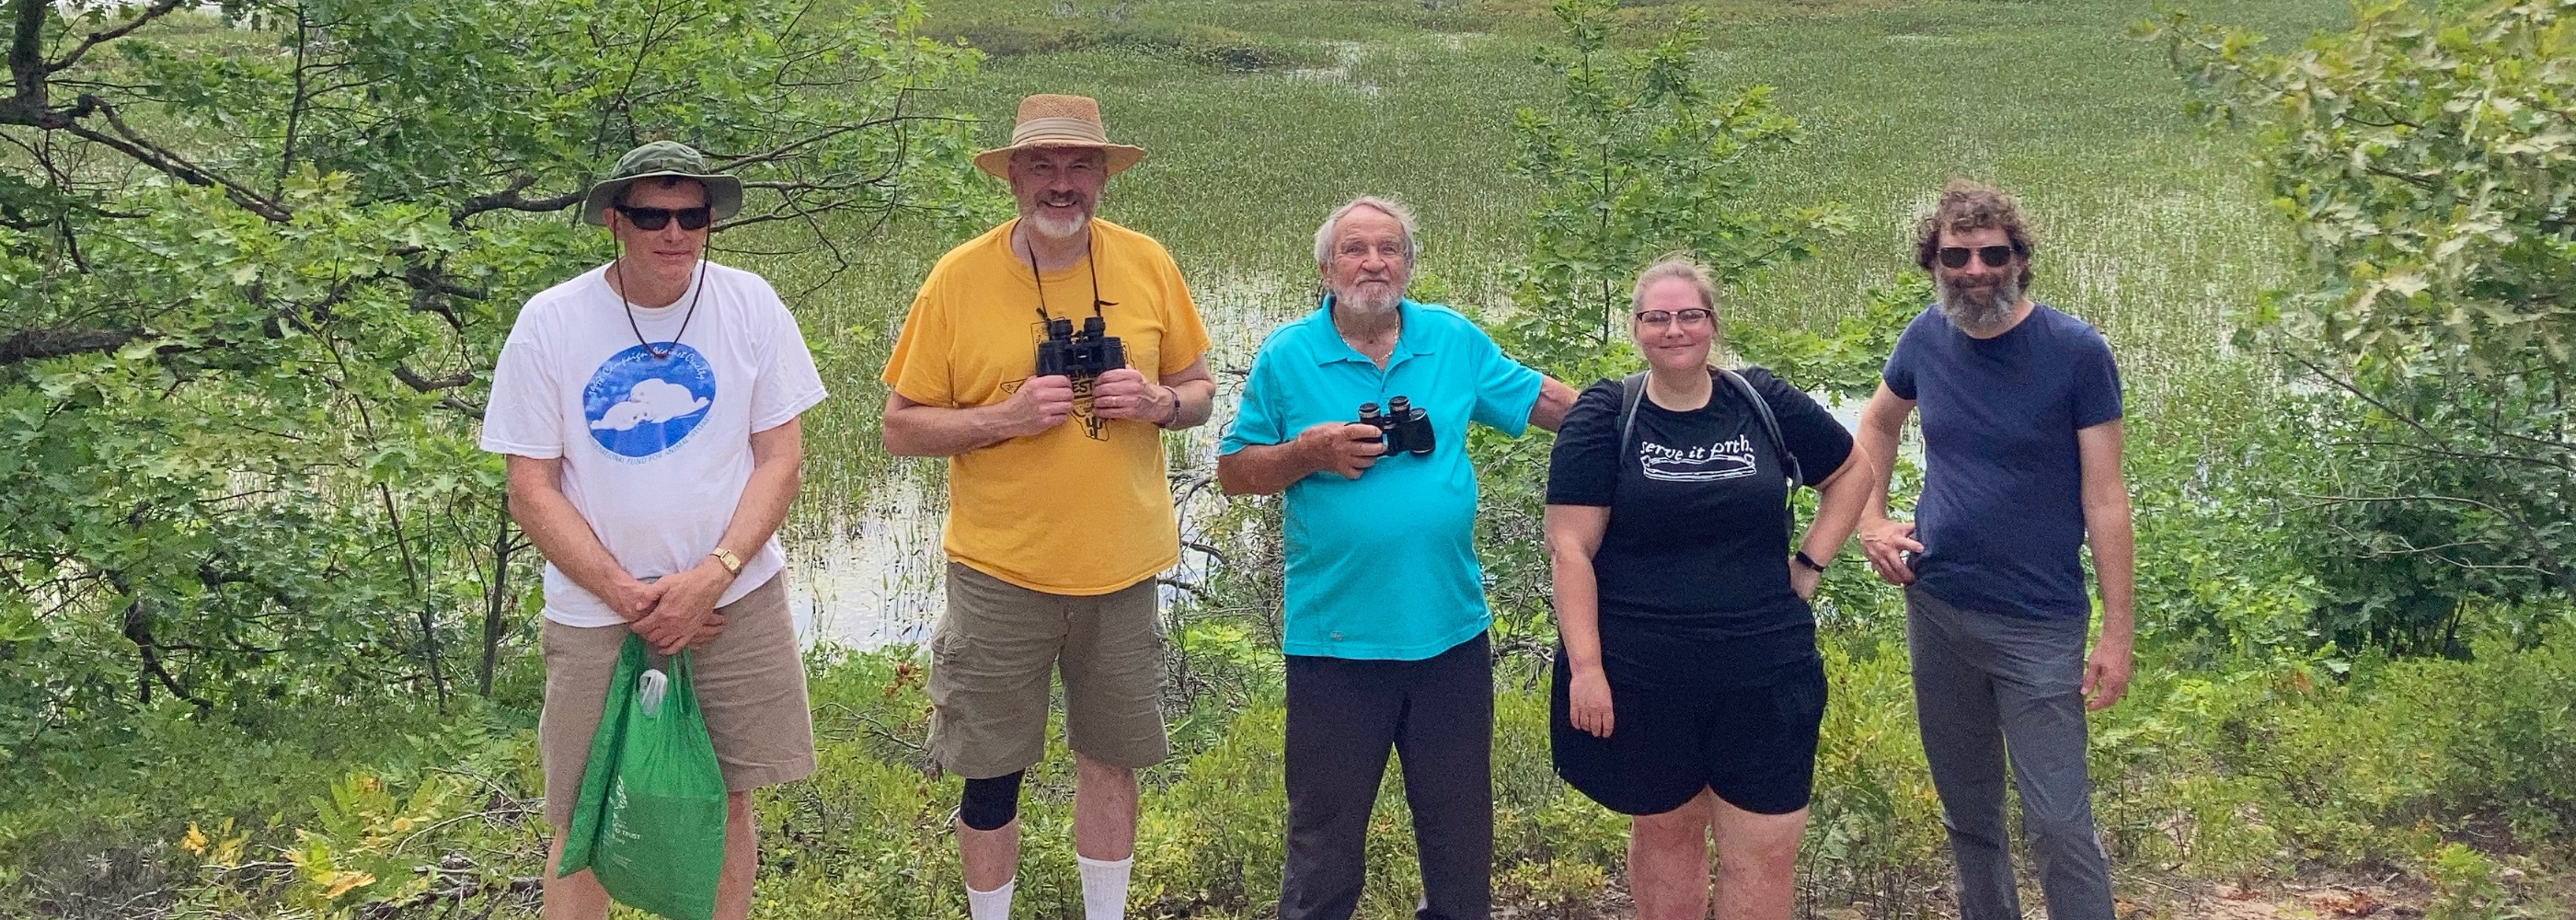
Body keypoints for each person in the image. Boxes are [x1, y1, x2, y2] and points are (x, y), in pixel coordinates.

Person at [879, 93, 1216, 920]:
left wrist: (1160, 404)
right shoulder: (958, 278)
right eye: (1042, 166)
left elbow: (1200, 390)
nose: (1060, 184)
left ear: (1103, 176)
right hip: (1001, 571)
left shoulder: (1146, 262)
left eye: (1078, 166)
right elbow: (898, 429)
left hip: (1122, 566)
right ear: (1013, 177)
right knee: (990, 769)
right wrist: (1006, 417)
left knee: (1111, 760)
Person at [481, 140, 826, 920]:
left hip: (734, 602)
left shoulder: (750, 303)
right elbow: (530, 488)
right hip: (598, 614)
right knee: (587, 816)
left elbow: (781, 459)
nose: (674, 233)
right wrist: (632, 596)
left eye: (692, 215)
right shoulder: (553, 322)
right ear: (615, 220)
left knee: (725, 800)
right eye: (652, 215)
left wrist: (712, 573)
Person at [1216, 196, 1579, 920]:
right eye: (1355, 249)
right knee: (1324, 848)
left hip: (1450, 634)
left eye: (1389, 249)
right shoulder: (1289, 355)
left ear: (1410, 266)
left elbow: (1547, 404)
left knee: (1460, 842)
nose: (1373, 262)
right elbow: (1235, 472)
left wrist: (1654, 413)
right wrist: (1306, 452)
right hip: (1336, 643)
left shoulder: (1451, 340)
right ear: (1326, 267)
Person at [1540, 257, 1870, 920]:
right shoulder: (1607, 414)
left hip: (1765, 671)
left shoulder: (1761, 401)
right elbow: (1569, 548)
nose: (1674, 329)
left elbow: (1852, 471)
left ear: (1712, 324)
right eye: (1656, 317)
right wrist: (1586, 669)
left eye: (1689, 315)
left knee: (1767, 849)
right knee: (1666, 836)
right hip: (1643, 674)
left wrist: (1808, 565)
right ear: (1635, 328)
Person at [1853, 179, 2134, 920]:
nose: (1975, 271)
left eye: (1992, 254)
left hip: (2038, 620)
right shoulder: (1924, 338)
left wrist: (2116, 629)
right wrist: (1871, 520)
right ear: (1934, 263)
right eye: (1956, 257)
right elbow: (1876, 426)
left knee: (2059, 822)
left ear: (2018, 258)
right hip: (1939, 606)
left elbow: (2105, 499)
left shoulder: (2076, 352)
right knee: (1968, 814)